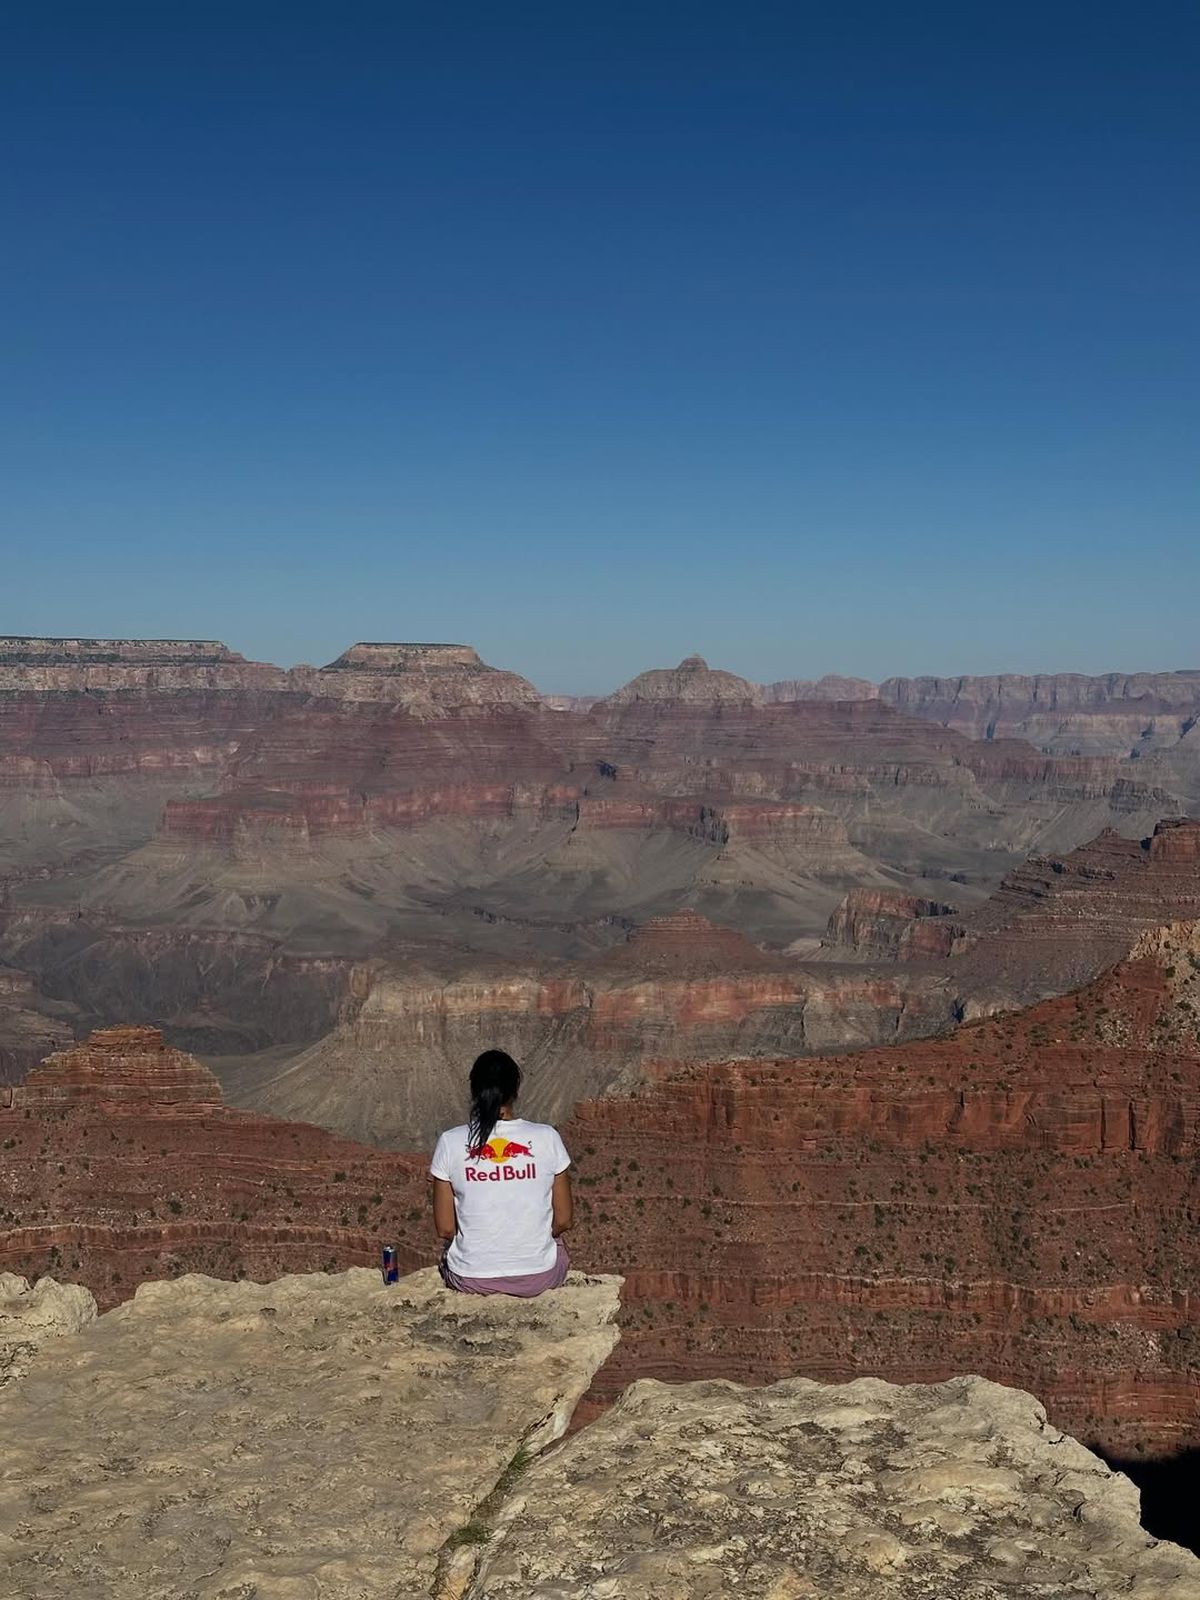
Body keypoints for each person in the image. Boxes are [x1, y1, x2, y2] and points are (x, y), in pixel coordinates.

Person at [430, 1049, 573, 1296]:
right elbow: (564, 1220)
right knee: (558, 1247)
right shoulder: (547, 1137)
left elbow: (445, 1229)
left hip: (472, 1281)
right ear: (515, 1090)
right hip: (538, 1279)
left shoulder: (450, 1142)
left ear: (474, 1090)